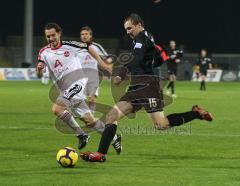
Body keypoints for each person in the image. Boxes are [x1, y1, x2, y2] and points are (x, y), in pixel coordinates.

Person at [80, 14, 214, 162]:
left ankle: (196, 113)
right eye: (126, 29)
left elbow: (136, 58)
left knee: (161, 125)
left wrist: (122, 74)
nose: (128, 32)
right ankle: (101, 154)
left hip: (148, 86)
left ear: (138, 25)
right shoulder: (146, 38)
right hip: (136, 86)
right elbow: (155, 58)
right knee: (111, 116)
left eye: (130, 28)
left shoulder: (141, 38)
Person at [36, 23, 122, 154]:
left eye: (53, 35)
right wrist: (39, 70)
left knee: (57, 108)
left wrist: (102, 64)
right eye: (48, 36)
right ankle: (114, 138)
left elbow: (89, 47)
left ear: (59, 33)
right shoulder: (44, 52)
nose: (51, 38)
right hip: (64, 88)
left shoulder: (70, 46)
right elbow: (39, 73)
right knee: (89, 120)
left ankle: (81, 135)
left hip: (77, 82)